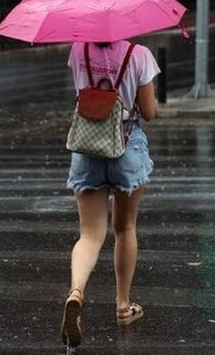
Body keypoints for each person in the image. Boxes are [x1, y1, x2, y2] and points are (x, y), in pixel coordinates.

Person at [60, 40, 159, 348]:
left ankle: (76, 292)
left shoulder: (79, 50)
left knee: (89, 234)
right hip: (126, 145)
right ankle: (123, 305)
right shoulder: (139, 55)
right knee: (125, 227)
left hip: (88, 146)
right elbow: (149, 112)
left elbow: (81, 93)